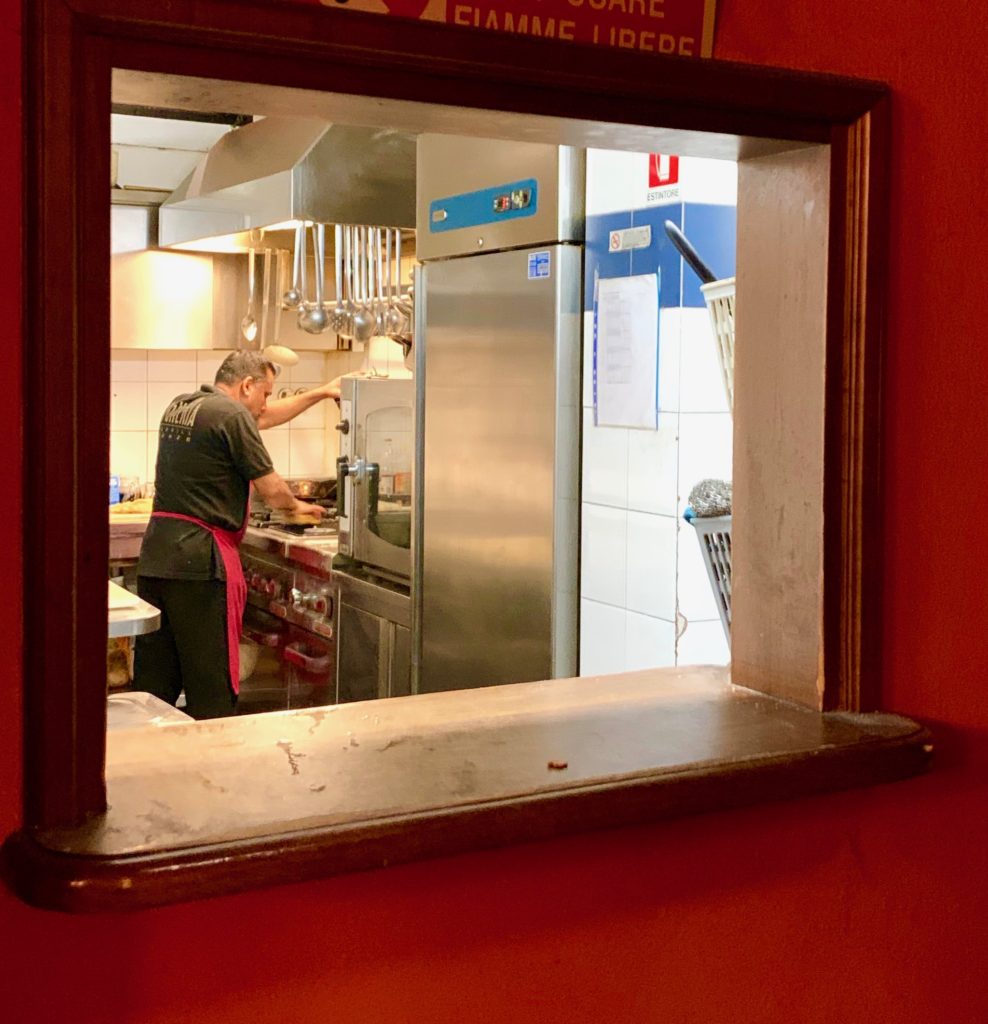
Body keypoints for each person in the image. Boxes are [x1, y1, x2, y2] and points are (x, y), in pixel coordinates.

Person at [132, 351, 338, 719]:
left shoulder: (185, 406)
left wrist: (320, 393)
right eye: (267, 392)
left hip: (159, 554)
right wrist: (296, 507)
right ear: (247, 385)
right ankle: (214, 763)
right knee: (210, 681)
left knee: (156, 680)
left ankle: (150, 763)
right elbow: (272, 489)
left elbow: (258, 418)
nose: (266, 403)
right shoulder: (233, 415)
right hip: (202, 560)